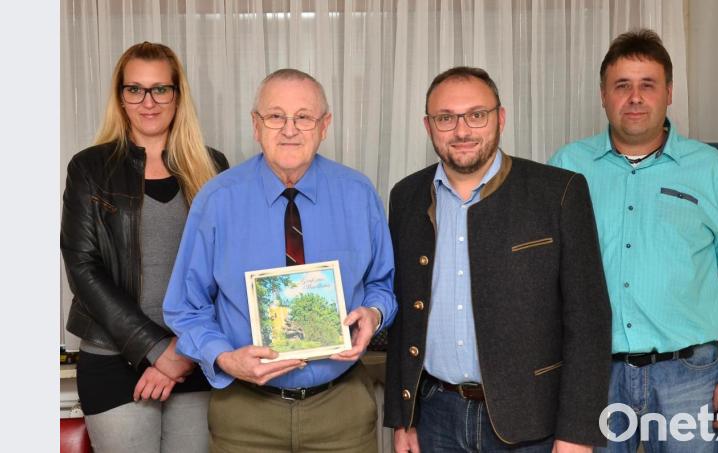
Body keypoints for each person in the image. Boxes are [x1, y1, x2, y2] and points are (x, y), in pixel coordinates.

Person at [162, 68, 397, 453]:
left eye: (303, 117)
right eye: (275, 116)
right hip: (244, 413)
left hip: (342, 409)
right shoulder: (217, 200)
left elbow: (381, 285)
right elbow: (185, 308)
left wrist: (373, 313)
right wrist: (224, 358)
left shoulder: (358, 193)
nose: (289, 129)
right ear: (256, 125)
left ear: (325, 125)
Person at [383, 66, 612, 453]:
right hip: (436, 415)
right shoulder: (405, 196)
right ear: (428, 126)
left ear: (500, 118)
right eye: (445, 118)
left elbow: (588, 321)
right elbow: (405, 316)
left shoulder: (558, 192)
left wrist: (577, 431)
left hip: (531, 422)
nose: (462, 130)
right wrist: (402, 418)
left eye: (477, 115)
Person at [549, 29, 718, 452]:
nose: (635, 97)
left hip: (689, 376)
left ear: (669, 93)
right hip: (593, 375)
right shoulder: (567, 166)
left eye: (647, 85)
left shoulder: (709, 170)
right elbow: (545, 279)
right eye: (622, 86)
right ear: (603, 95)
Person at [61, 41, 229, 453]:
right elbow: (83, 267)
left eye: (160, 89)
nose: (147, 102)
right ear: (120, 97)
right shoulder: (90, 168)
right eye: (134, 89)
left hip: (196, 357)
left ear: (177, 95)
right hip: (113, 359)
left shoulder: (214, 167)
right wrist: (156, 349)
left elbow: (228, 271)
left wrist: (182, 354)